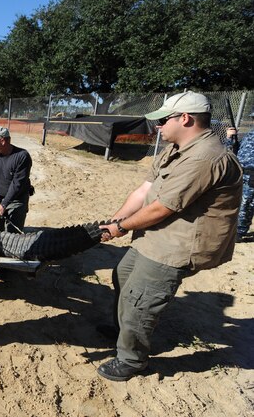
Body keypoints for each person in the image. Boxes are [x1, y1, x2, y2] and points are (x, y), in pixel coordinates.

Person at [97, 91, 242, 381]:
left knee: (140, 300)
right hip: (153, 237)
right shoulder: (174, 149)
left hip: (177, 245)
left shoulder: (205, 158)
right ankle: (123, 330)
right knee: (123, 276)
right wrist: (113, 221)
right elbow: (144, 190)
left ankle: (131, 359)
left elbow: (162, 208)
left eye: (163, 120)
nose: (158, 126)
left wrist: (120, 227)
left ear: (185, 118)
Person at [0, 126, 33, 233]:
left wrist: (4, 204)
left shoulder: (22, 156)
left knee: (13, 233)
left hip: (16, 200)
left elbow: (17, 185)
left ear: (2, 141)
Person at [226, 114, 254, 241]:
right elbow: (232, 151)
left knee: (247, 204)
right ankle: (237, 231)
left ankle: (239, 232)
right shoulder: (250, 134)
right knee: (242, 203)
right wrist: (230, 138)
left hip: (251, 174)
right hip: (242, 173)